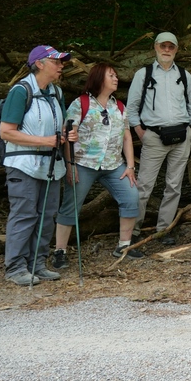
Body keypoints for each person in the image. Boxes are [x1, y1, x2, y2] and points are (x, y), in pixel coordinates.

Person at [0, 45, 77, 285]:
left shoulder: (57, 93)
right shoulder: (21, 91)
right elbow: (6, 132)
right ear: (40, 63)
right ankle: (15, 267)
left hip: (51, 165)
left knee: (47, 215)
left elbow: (62, 128)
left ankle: (37, 264)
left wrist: (68, 141)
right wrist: (45, 141)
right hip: (23, 164)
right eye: (56, 61)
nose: (61, 65)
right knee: (24, 215)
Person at [53, 63, 141, 265]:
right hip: (83, 163)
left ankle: (124, 245)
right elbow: (69, 135)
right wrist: (70, 165)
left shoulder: (118, 106)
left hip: (113, 164)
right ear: (99, 78)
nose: (116, 78)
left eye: (116, 75)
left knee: (131, 195)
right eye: (111, 75)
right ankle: (60, 252)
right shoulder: (80, 103)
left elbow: (127, 136)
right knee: (71, 204)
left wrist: (130, 166)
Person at [126, 32, 191, 246]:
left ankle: (163, 230)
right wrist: (140, 131)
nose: (167, 50)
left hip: (182, 135)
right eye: (163, 46)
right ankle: (133, 231)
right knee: (144, 186)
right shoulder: (144, 74)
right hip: (154, 137)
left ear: (176, 49)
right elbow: (132, 106)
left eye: (171, 46)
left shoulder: (184, 75)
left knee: (174, 185)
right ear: (155, 47)